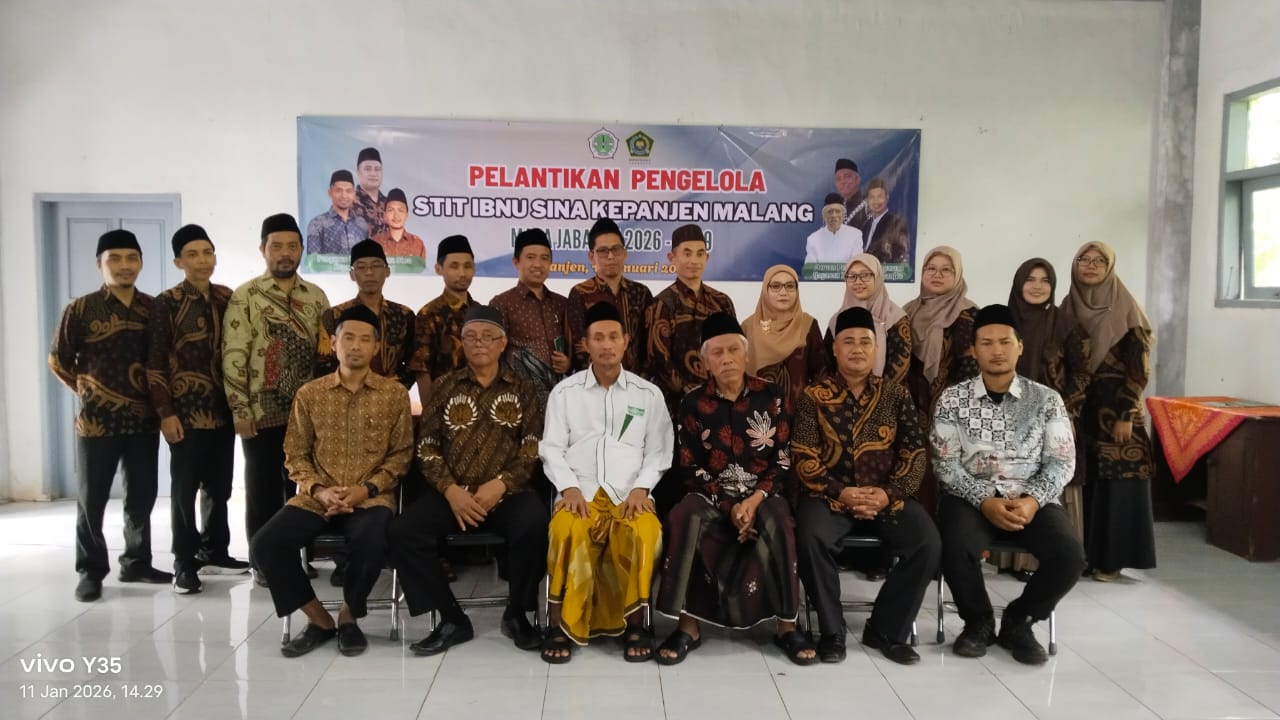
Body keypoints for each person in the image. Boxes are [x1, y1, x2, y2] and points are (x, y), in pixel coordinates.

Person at [251, 305, 413, 658]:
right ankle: (320, 619)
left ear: (376, 347)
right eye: (348, 338)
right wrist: (320, 490)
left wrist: (365, 489)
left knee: (372, 539)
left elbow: (401, 455)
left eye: (365, 340)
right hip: (317, 496)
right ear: (334, 343)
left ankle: (349, 616)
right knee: (265, 545)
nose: (356, 346)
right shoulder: (310, 394)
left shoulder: (394, 394)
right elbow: (295, 454)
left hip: (370, 497)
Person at [654, 313, 813, 666]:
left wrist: (753, 501)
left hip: (763, 493)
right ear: (705, 362)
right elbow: (689, 466)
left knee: (780, 520)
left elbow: (783, 459)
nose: (726, 359)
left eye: (732, 350)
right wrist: (730, 507)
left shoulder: (771, 396)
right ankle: (687, 627)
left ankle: (787, 626)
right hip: (713, 494)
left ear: (745, 354)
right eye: (717, 353)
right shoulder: (692, 403)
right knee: (684, 515)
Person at [932, 304, 1085, 665]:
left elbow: (1062, 462)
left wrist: (1033, 500)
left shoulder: (1046, 400)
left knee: (1069, 556)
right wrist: (984, 500)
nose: (996, 350)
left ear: (1020, 346)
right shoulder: (953, 399)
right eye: (986, 343)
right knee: (953, 544)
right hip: (970, 497)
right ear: (973, 350)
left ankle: (1020, 620)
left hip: (1031, 497)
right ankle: (978, 622)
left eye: (1004, 342)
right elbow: (944, 463)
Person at [389, 305, 547, 656]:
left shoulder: (524, 388)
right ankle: (451, 618)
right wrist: (451, 490)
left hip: (507, 493)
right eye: (471, 337)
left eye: (488, 337)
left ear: (503, 343)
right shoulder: (445, 386)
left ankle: (518, 614)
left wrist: (501, 484)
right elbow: (427, 447)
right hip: (454, 494)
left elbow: (532, 447)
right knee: (403, 532)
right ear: (461, 343)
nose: (479, 343)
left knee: (536, 523)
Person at [792, 307, 939, 665]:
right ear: (835, 349)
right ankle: (832, 631)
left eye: (864, 342)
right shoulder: (814, 396)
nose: (857, 349)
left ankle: (886, 629)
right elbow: (803, 454)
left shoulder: (896, 394)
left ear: (875, 348)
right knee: (809, 537)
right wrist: (839, 491)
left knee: (927, 543)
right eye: (848, 342)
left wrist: (888, 493)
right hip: (829, 496)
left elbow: (914, 452)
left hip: (886, 497)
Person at [540, 301, 673, 663]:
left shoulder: (647, 394)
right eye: (598, 338)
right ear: (585, 344)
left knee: (644, 533)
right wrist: (568, 487)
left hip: (630, 492)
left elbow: (659, 450)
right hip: (579, 491)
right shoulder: (564, 393)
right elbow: (551, 448)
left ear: (626, 341)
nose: (607, 345)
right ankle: (559, 625)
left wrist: (641, 489)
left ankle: (636, 626)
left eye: (614, 337)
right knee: (565, 530)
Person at [50, 229, 170, 601]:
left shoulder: (153, 308)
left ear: (141, 263)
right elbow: (58, 359)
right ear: (100, 264)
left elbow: (160, 361)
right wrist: (89, 391)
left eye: (131, 258)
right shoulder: (81, 309)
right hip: (96, 423)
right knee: (92, 500)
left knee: (141, 495)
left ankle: (136, 562)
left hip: (143, 420)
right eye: (114, 259)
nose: (123, 266)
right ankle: (90, 571)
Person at [224, 213, 331, 585]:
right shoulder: (246, 296)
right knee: (262, 489)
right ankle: (262, 562)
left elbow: (325, 356)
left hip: (305, 415)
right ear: (263, 250)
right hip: (260, 411)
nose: (285, 253)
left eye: (292, 246)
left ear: (301, 250)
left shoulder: (315, 297)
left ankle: (297, 557)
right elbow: (234, 355)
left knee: (300, 490)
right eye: (277, 246)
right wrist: (240, 409)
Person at [146, 224, 248, 595]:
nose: (202, 260)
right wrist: (165, 412)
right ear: (178, 262)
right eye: (192, 254)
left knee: (219, 486)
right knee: (184, 490)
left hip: (222, 410)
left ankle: (215, 551)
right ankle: (184, 563)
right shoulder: (167, 302)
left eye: (207, 252)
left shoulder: (226, 297)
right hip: (185, 412)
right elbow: (155, 362)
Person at [1058, 242, 1157, 581]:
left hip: (1117, 415)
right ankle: (1084, 556)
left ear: (1110, 267)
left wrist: (1127, 415)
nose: (1091, 265)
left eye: (1099, 261)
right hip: (1080, 412)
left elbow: (1139, 369)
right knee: (1084, 485)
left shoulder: (1127, 310)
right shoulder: (1067, 309)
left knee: (1117, 486)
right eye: (1084, 259)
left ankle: (1112, 561)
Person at [991, 259, 1090, 579]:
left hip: (1051, 419)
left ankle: (1045, 560)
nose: (1037, 285)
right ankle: (1009, 559)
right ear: (1018, 283)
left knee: (1046, 484)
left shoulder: (1067, 325)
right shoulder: (1002, 323)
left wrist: (1065, 412)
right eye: (1030, 279)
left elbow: (1081, 374)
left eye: (1044, 280)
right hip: (1006, 415)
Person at [903, 246, 979, 513]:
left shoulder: (969, 315)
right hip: (912, 407)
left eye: (946, 270)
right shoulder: (907, 312)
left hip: (952, 411)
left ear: (957, 275)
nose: (937, 275)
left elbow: (971, 371)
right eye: (931, 269)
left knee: (948, 477)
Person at [317, 239, 415, 389]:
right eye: (361, 267)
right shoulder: (334, 315)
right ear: (352, 274)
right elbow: (323, 364)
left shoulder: (404, 315)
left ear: (387, 271)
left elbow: (414, 362)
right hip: (344, 396)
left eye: (376, 266)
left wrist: (389, 388)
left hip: (391, 395)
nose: (369, 272)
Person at [490, 228, 571, 400]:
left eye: (544, 258)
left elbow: (574, 348)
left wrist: (568, 363)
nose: (538, 264)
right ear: (516, 262)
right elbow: (492, 355)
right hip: (518, 398)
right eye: (531, 257)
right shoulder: (502, 303)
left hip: (559, 398)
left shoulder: (562, 304)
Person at [565, 218, 653, 373]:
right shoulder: (580, 294)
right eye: (603, 251)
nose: (611, 256)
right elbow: (579, 347)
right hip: (593, 381)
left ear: (624, 253)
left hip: (635, 383)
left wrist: (640, 381)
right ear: (591, 256)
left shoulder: (641, 293)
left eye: (616, 249)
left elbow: (648, 346)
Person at [741, 264, 826, 410]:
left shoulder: (808, 325)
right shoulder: (749, 327)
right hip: (756, 412)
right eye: (775, 286)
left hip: (799, 413)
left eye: (790, 286)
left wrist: (811, 410)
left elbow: (821, 374)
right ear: (765, 290)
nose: (783, 292)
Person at [826, 254, 912, 386]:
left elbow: (899, 369)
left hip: (886, 395)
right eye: (852, 276)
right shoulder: (837, 320)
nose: (858, 282)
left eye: (865, 275)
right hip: (841, 395)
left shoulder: (895, 318)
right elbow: (827, 365)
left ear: (877, 277)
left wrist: (873, 396)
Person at [409, 235, 477, 401]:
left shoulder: (479, 312)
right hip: (444, 405)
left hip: (480, 404)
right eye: (454, 266)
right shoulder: (429, 314)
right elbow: (422, 370)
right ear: (439, 269)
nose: (462, 273)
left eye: (467, 266)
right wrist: (430, 411)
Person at [305, 170, 368, 256]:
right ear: (330, 193)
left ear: (354, 194)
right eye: (338, 190)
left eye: (348, 191)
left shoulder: (361, 224)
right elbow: (314, 260)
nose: (344, 196)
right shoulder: (317, 224)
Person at [860, 178, 911, 265]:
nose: (876, 201)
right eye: (872, 197)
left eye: (880, 196)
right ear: (867, 200)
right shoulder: (865, 225)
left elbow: (901, 256)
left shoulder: (897, 224)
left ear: (887, 198)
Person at [804, 193, 863, 265]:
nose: (834, 215)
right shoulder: (813, 239)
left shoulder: (855, 235)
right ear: (824, 215)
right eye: (830, 212)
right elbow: (810, 269)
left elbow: (856, 265)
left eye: (837, 211)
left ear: (843, 214)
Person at [370, 188, 427, 262]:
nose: (396, 215)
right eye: (391, 210)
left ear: (406, 214)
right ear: (385, 215)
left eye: (400, 210)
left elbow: (421, 268)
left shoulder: (417, 243)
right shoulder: (374, 243)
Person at [353, 147, 387, 237]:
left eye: (377, 169)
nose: (373, 174)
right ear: (358, 172)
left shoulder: (389, 204)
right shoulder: (349, 203)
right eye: (368, 169)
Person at [833, 158, 866, 230]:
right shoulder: (835, 211)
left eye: (847, 176)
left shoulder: (870, 207)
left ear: (857, 179)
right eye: (838, 179)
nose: (842, 182)